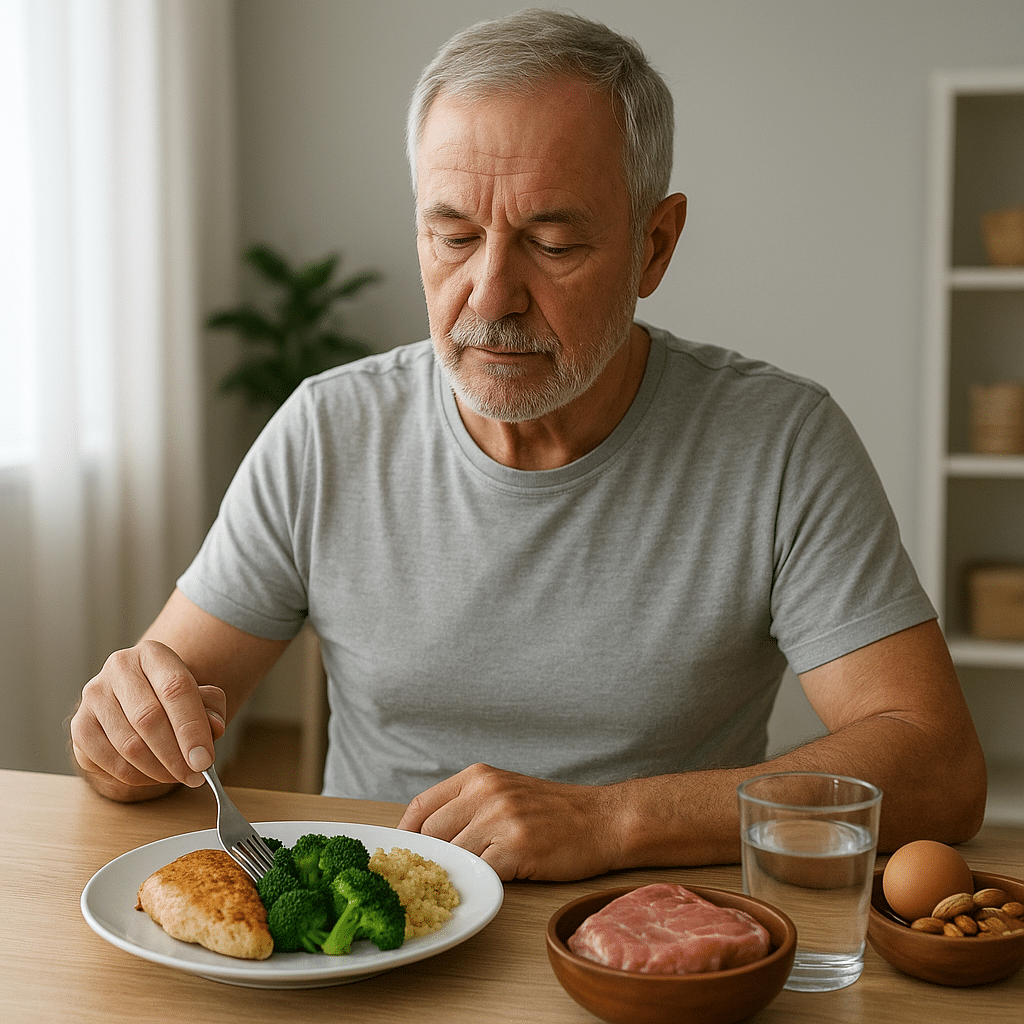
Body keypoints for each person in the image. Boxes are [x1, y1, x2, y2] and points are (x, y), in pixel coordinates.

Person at [70, 9, 986, 881]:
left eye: (552, 242)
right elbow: (149, 747)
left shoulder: (782, 445)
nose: (490, 293)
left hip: (654, 943)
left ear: (655, 247)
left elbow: (939, 769)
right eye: (455, 235)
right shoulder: (325, 431)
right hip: (375, 942)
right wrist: (120, 736)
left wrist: (612, 821)